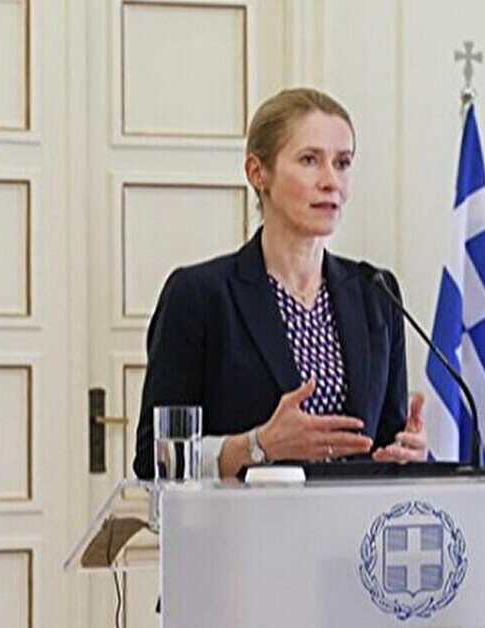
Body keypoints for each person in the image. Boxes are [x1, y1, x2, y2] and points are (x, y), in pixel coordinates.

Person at [133, 88, 427, 480]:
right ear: (258, 173)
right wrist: (259, 446)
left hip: (353, 519)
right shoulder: (198, 295)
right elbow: (154, 459)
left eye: (342, 163)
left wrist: (407, 455)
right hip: (243, 519)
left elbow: (386, 440)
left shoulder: (376, 292)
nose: (331, 181)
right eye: (310, 160)